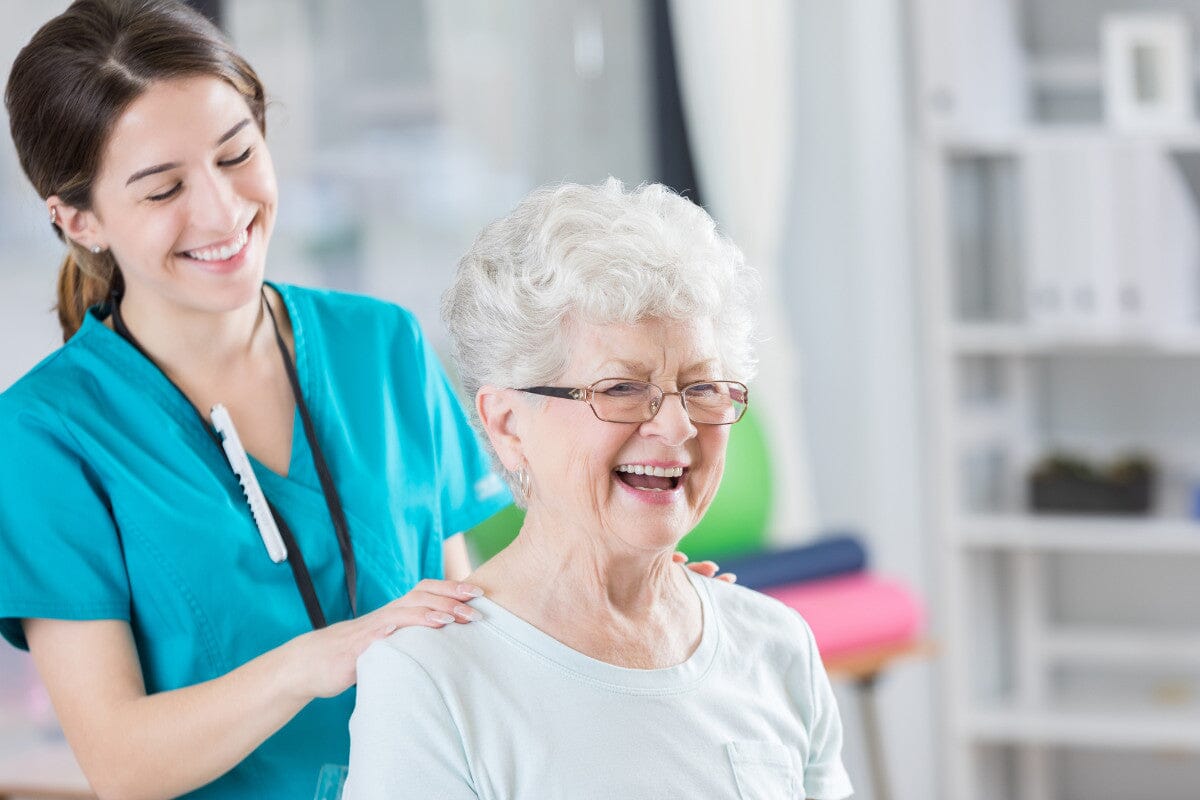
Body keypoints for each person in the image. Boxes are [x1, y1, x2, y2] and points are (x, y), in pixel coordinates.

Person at [0, 2, 516, 798]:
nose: (221, 211)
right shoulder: (46, 436)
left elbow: (465, 618)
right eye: (162, 188)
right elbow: (121, 763)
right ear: (79, 220)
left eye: (237, 154)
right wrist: (319, 660)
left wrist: (626, 593)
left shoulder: (382, 347)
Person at [343, 180, 855, 799]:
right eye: (620, 389)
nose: (676, 426)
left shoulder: (776, 645)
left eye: (703, 387)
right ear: (509, 425)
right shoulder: (431, 675)